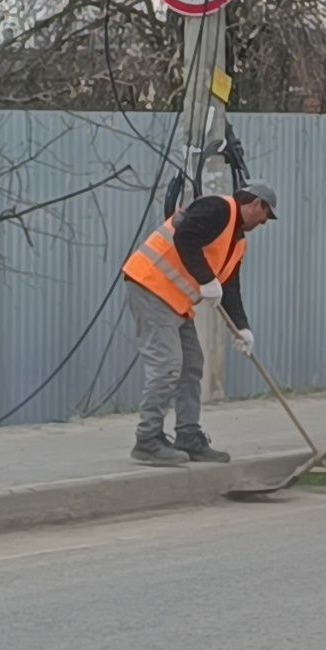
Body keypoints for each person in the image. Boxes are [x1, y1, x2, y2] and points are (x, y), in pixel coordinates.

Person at [118, 179, 278, 466]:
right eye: (267, 214)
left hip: (174, 300)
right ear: (256, 204)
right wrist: (206, 279)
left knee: (191, 364)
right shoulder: (218, 208)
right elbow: (185, 237)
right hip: (150, 286)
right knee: (167, 365)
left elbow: (229, 287)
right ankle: (147, 440)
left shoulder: (238, 241)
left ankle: (188, 435)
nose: (265, 222)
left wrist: (241, 328)